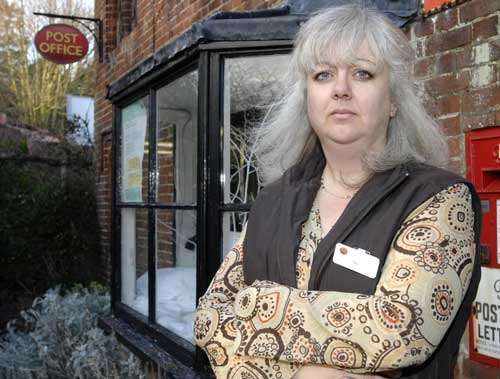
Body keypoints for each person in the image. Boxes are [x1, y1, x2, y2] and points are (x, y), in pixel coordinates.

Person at [194, 4, 481, 379]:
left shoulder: (438, 199)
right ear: (307, 98)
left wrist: (257, 304)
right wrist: (303, 376)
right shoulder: (273, 200)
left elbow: (400, 330)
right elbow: (208, 318)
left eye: (363, 73)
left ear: (393, 100)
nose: (341, 89)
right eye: (323, 74)